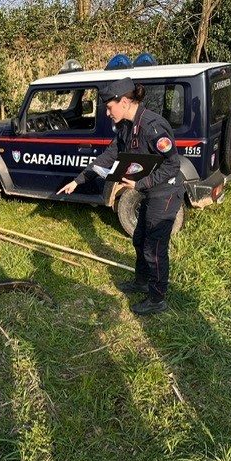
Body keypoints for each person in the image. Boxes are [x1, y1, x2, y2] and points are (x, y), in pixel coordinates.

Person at [57, 77, 184, 315]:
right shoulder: (126, 126)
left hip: (165, 191)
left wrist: (141, 183)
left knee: (154, 247)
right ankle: (142, 281)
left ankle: (158, 298)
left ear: (124, 102)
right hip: (148, 191)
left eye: (109, 107)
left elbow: (173, 165)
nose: (107, 113)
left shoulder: (153, 127)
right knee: (140, 239)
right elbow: (107, 157)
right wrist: (78, 180)